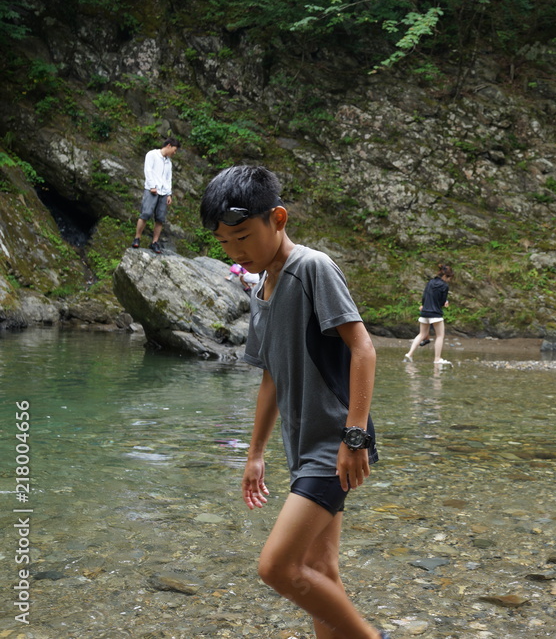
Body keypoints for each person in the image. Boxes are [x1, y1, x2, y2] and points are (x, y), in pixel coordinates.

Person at [200, 165, 389, 639]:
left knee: (277, 568)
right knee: (318, 570)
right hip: (302, 450)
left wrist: (355, 435)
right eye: (225, 244)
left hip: (333, 447)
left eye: (243, 237)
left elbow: (363, 348)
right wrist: (256, 454)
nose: (236, 250)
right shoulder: (261, 288)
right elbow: (271, 376)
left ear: (278, 218)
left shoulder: (312, 269)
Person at [132, 138, 180, 254]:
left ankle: (154, 242)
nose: (174, 152)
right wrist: (152, 186)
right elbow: (148, 170)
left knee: (160, 218)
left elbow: (168, 178)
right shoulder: (152, 154)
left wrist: (169, 194)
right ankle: (137, 238)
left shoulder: (169, 162)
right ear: (169, 146)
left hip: (164, 192)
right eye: (174, 150)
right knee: (146, 213)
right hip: (152, 190)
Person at [403, 264, 454, 365]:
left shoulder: (430, 282)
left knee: (421, 334)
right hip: (435, 314)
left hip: (425, 312)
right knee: (440, 336)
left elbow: (424, 296)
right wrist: (445, 303)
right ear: (446, 276)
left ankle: (409, 354)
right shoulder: (444, 286)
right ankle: (437, 359)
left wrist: (423, 305)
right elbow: (442, 301)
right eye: (449, 278)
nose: (449, 280)